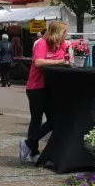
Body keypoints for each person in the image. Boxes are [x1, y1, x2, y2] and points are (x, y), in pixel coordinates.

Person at [23, 21, 70, 164]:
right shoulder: (42, 43)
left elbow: (66, 59)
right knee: (36, 119)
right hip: (36, 87)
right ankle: (34, 152)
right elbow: (38, 62)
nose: (66, 36)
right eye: (64, 33)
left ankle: (28, 144)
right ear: (57, 32)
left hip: (51, 88)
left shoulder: (61, 44)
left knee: (55, 120)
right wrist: (59, 62)